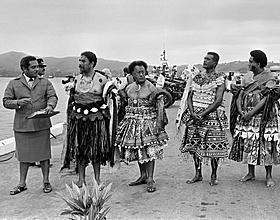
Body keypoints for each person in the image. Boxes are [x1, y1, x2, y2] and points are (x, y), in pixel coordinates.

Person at [229, 50, 280, 187]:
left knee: (266, 144)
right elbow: (240, 95)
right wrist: (241, 111)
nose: (248, 64)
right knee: (249, 142)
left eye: (251, 61)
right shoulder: (247, 77)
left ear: (258, 63)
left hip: (265, 116)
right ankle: (250, 172)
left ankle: (269, 176)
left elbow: (267, 98)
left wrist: (252, 113)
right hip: (246, 114)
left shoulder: (269, 77)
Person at [3, 55, 58, 195]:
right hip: (23, 125)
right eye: (33, 67)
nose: (37, 69)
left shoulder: (45, 82)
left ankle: (46, 181)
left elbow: (53, 97)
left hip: (41, 123)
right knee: (23, 156)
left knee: (44, 155)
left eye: (37, 67)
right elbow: (6, 101)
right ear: (24, 69)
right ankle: (22, 183)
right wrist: (17, 103)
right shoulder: (13, 83)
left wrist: (50, 106)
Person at [115, 60, 169, 193]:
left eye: (143, 72)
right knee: (139, 151)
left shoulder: (151, 87)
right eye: (138, 72)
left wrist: (159, 123)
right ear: (132, 74)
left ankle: (150, 178)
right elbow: (121, 101)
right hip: (132, 123)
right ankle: (143, 176)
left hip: (148, 123)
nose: (141, 75)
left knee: (149, 150)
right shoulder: (128, 87)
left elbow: (160, 105)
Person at [61, 51, 112, 187]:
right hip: (79, 119)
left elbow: (110, 102)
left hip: (96, 120)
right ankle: (81, 179)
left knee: (96, 149)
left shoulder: (102, 80)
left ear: (92, 63)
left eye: (83, 61)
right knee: (80, 149)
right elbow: (71, 101)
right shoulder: (76, 80)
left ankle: (97, 179)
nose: (80, 64)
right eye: (79, 61)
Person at [178, 52, 229, 186]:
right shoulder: (197, 77)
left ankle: (213, 174)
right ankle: (198, 174)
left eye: (208, 59)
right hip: (194, 115)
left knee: (214, 146)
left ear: (215, 63)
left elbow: (218, 101)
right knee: (194, 145)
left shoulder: (220, 78)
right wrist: (193, 112)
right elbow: (189, 97)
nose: (205, 61)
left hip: (212, 116)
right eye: (204, 58)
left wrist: (203, 114)